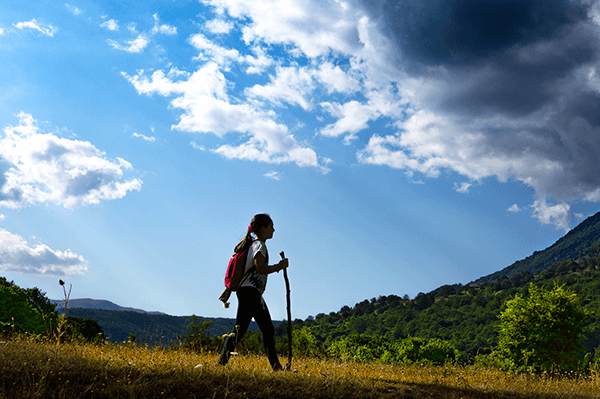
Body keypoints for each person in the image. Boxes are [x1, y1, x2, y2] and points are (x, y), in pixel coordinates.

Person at [217, 213, 289, 370]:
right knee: (256, 329)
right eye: (271, 226)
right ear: (263, 228)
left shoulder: (250, 245)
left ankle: (221, 363)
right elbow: (260, 267)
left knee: (252, 329)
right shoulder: (259, 246)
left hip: (248, 292)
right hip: (251, 293)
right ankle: (276, 367)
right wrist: (279, 266)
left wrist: (229, 290)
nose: (274, 230)